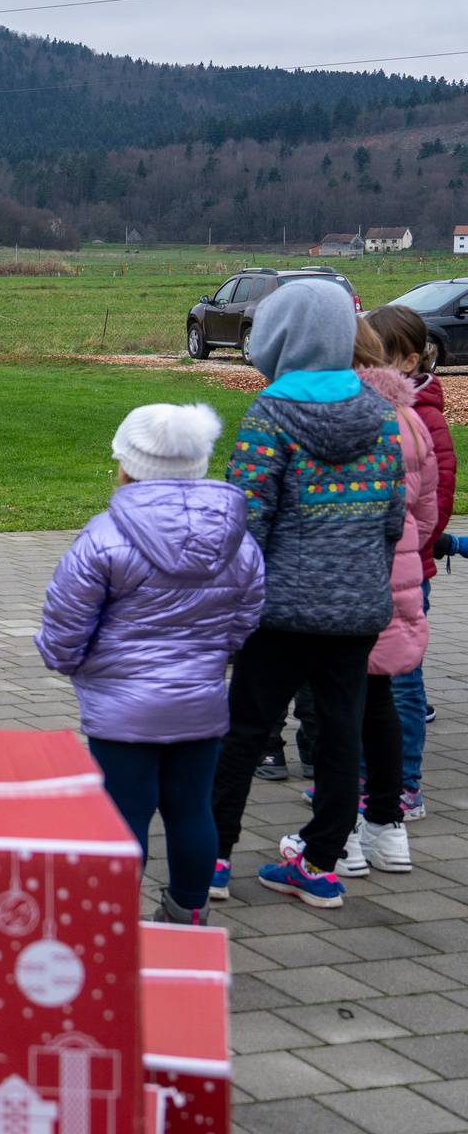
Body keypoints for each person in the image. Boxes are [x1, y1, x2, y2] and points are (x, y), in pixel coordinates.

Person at [210, 279, 404, 910]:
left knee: (244, 729)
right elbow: (393, 519)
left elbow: (248, 523)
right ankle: (321, 863)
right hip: (356, 610)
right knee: (342, 735)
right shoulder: (379, 414)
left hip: (281, 610)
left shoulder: (270, 415)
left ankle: (212, 857)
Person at [36, 403, 263, 925]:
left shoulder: (103, 536)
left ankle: (112, 920)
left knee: (124, 811)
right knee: (191, 809)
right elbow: (247, 612)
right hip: (200, 701)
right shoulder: (237, 538)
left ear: (126, 466)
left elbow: (67, 618)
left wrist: (66, 659)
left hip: (122, 710)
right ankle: (189, 909)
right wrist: (215, 657)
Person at [367, 305, 451, 823]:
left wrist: (403, 549)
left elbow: (435, 506)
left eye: (381, 358)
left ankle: (406, 787)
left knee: (403, 682)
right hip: (371, 570)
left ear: (411, 359)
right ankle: (370, 781)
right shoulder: (375, 411)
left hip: (407, 570)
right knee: (369, 681)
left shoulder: (425, 417)